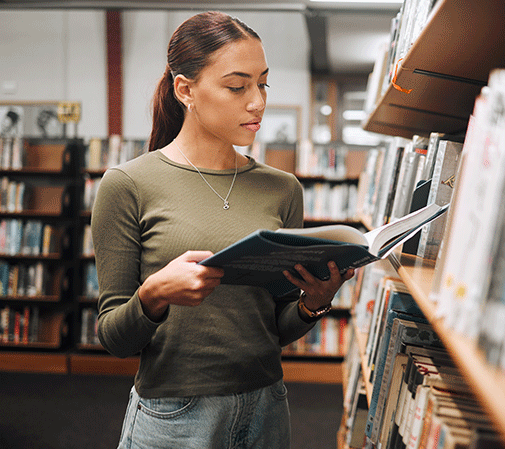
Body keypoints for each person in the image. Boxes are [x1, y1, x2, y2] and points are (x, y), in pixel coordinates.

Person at [91, 11, 354, 449]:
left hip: (268, 407)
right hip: (175, 415)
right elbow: (114, 337)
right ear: (185, 89)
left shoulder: (283, 189)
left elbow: (274, 328)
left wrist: (315, 304)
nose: (257, 102)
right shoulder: (128, 184)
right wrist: (155, 295)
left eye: (263, 84)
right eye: (237, 86)